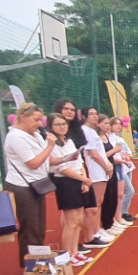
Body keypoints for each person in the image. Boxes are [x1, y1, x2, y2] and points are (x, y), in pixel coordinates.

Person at [4, 102, 56, 266]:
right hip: (22, 187)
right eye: (36, 120)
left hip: (37, 184)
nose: (39, 124)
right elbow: (33, 163)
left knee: (39, 228)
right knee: (30, 228)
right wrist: (49, 146)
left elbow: (44, 159)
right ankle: (29, 267)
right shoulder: (15, 137)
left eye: (41, 120)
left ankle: (38, 262)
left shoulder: (35, 135)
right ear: (23, 117)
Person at [48, 113, 93, 266]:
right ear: (51, 127)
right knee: (71, 222)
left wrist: (85, 179)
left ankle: (74, 251)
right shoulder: (51, 145)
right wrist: (83, 179)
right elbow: (62, 169)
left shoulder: (70, 142)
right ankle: (67, 254)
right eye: (58, 124)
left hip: (78, 180)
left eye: (64, 124)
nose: (62, 127)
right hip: (65, 183)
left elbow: (79, 161)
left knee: (79, 220)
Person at [79, 106, 114, 249]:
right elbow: (93, 154)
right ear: (84, 117)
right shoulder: (85, 131)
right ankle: (92, 233)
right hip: (95, 171)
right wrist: (106, 166)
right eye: (91, 114)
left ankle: (96, 229)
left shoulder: (92, 131)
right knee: (94, 204)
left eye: (95, 114)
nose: (94, 116)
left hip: (100, 171)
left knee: (98, 202)